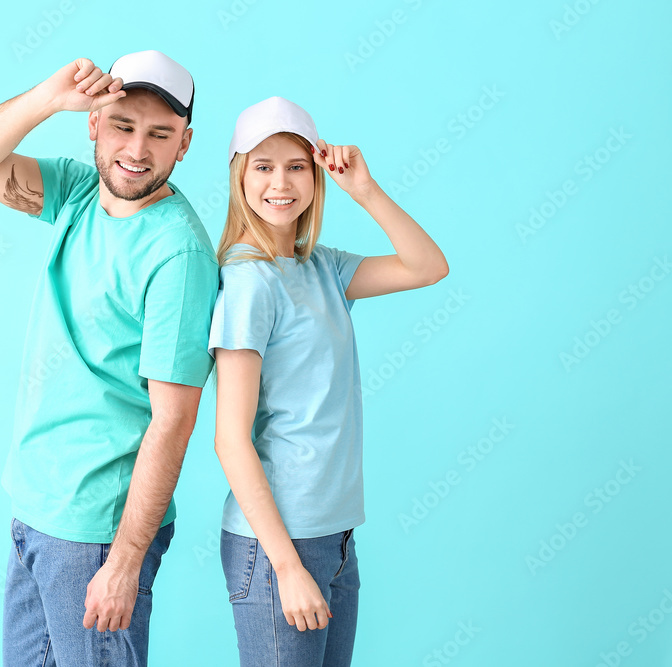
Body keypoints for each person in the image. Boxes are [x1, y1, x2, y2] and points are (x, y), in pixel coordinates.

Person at [0, 50, 219, 666]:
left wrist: (123, 562)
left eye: (160, 134)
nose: (138, 149)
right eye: (123, 125)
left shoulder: (179, 256)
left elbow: (173, 421)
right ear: (94, 122)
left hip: (97, 530)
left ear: (185, 144)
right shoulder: (76, 194)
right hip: (36, 508)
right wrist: (47, 97)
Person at [208, 96, 449, 666]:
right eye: (262, 167)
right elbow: (230, 439)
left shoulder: (322, 267)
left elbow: (427, 266)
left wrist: (364, 189)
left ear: (316, 174)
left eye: (295, 166)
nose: (279, 183)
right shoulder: (249, 284)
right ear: (240, 175)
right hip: (279, 546)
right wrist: (287, 567)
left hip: (335, 536)